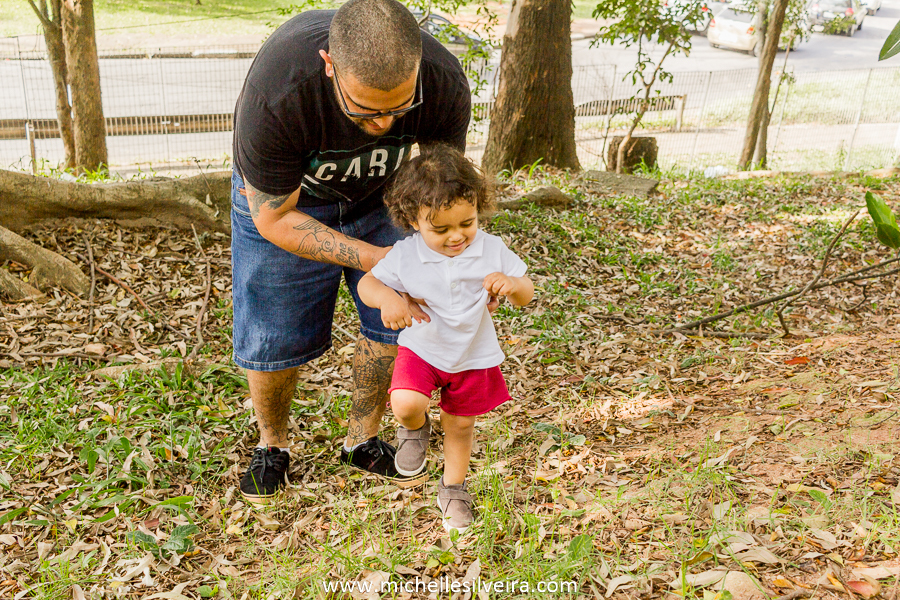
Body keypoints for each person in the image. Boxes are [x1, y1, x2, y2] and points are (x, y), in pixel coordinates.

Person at [230, 0, 471, 503]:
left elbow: (444, 188)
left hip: (386, 197)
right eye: (366, 109)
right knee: (273, 334)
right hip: (289, 203)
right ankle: (272, 446)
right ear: (329, 64)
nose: (384, 124)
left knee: (394, 321)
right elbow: (272, 217)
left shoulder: (443, 80)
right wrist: (378, 260)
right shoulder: (279, 91)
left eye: (398, 107)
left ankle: (361, 439)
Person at [358, 145, 535, 533]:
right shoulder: (406, 255)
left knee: (460, 426)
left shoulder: (490, 249)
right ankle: (414, 427)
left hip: (473, 355)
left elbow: (527, 293)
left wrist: (512, 285)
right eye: (440, 229)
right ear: (414, 221)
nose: (457, 236)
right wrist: (388, 299)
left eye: (466, 223)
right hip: (422, 348)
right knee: (405, 403)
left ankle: (453, 488)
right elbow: (369, 284)